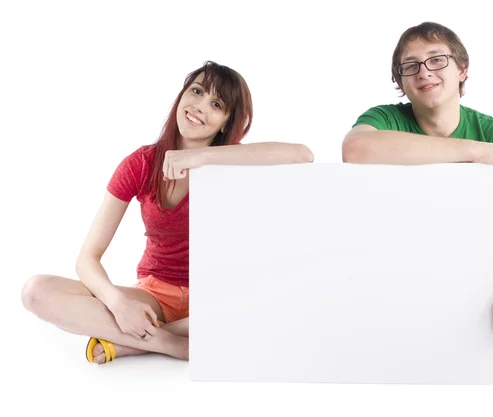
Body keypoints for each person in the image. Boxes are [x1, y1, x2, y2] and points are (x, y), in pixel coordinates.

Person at [21, 61, 314, 364]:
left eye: (216, 104)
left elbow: (302, 155)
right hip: (156, 294)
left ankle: (137, 341)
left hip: (217, 297)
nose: (200, 106)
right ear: (181, 95)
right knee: (36, 291)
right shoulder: (141, 163)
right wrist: (120, 305)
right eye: (197, 91)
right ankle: (170, 342)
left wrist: (199, 157)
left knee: (279, 304)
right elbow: (87, 258)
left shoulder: (233, 162)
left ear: (226, 121)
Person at [342, 22, 493, 370]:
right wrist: (476, 152)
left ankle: (462, 337)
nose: (424, 72)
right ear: (401, 82)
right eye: (411, 66)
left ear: (462, 69)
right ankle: (485, 341)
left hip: (466, 281)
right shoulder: (386, 119)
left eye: (437, 60)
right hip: (392, 277)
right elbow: (355, 148)